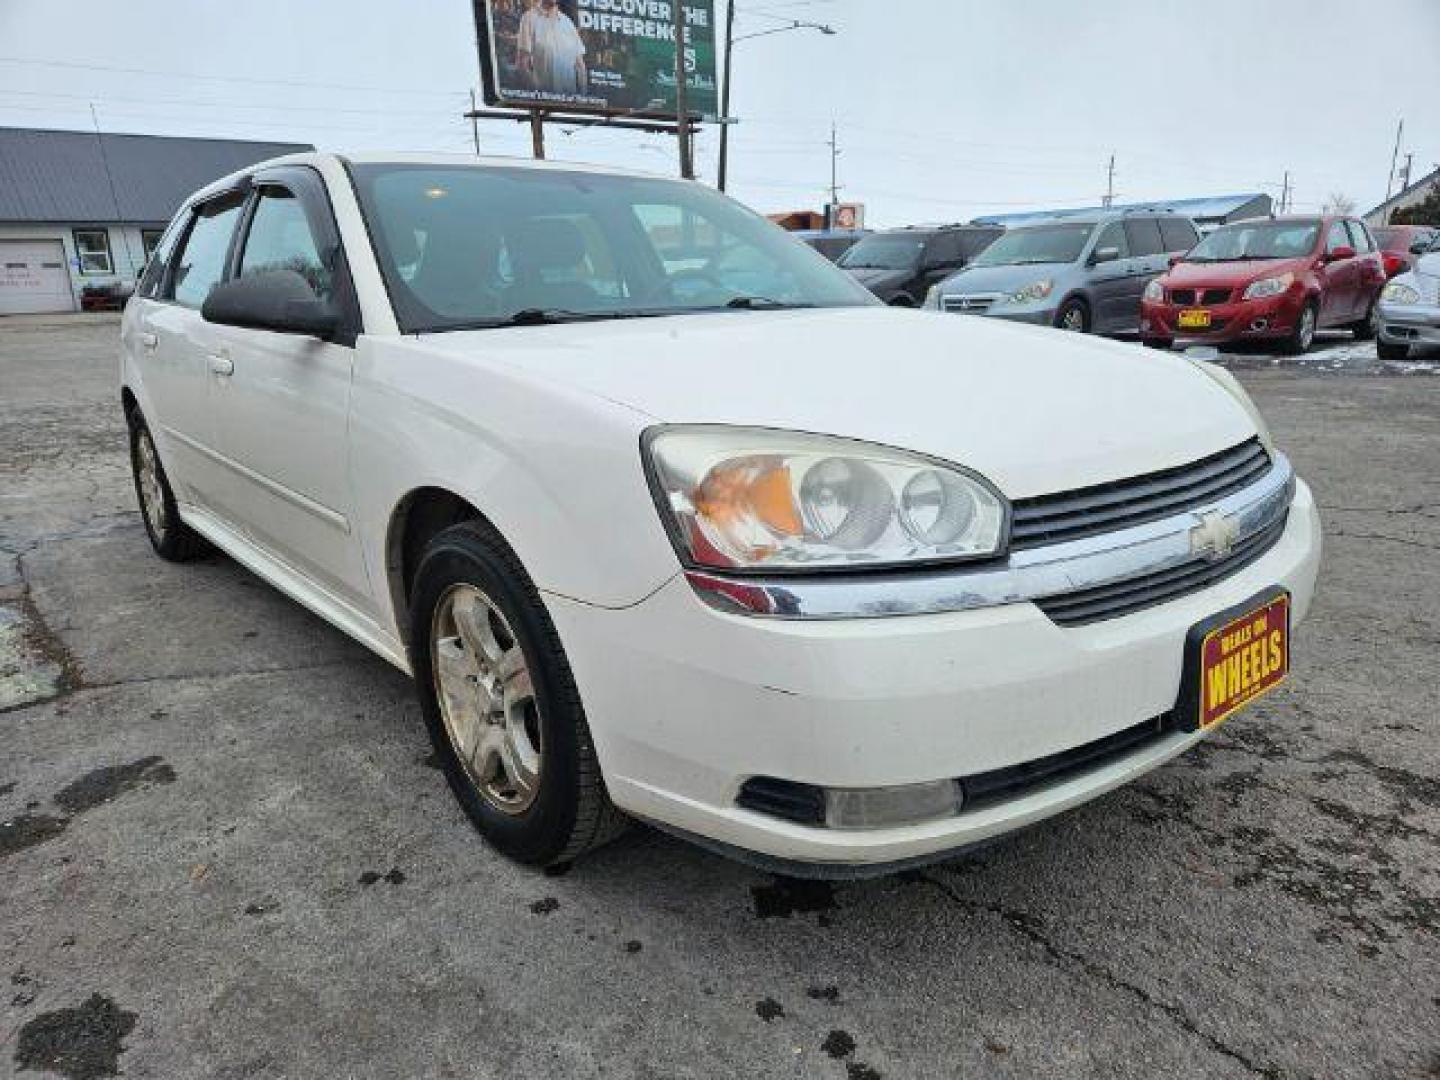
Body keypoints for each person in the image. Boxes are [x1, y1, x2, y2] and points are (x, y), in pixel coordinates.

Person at [517, 0, 587, 96]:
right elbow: (523, 65)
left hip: (570, 104)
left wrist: (583, 98)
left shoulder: (567, 22)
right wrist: (540, 94)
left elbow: (580, 66)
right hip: (544, 103)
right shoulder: (529, 18)